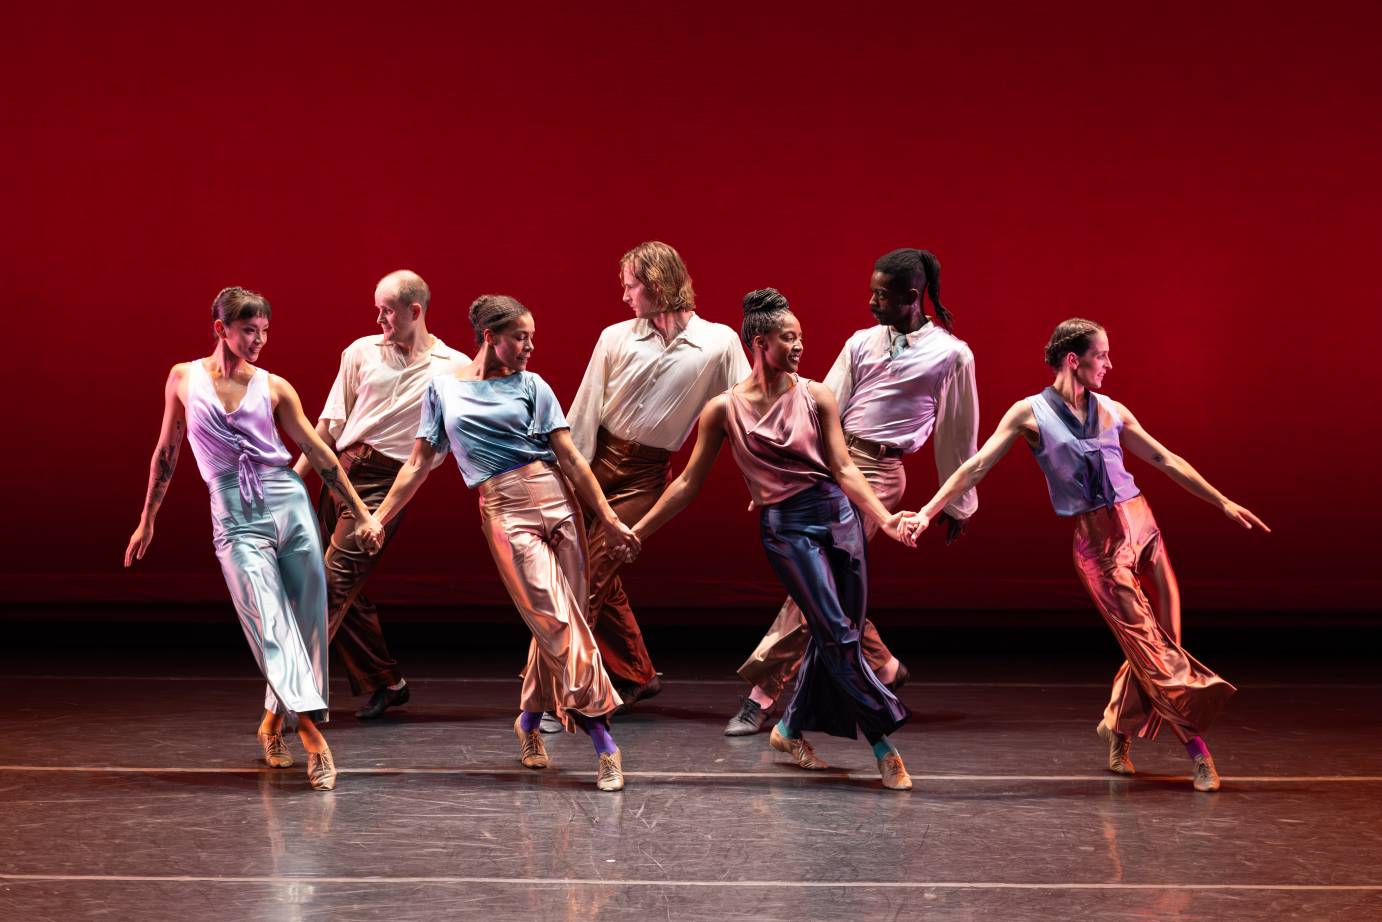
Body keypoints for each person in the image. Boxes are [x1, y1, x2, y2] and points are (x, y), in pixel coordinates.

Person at [911, 318, 1270, 792]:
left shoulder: (1113, 410)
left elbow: (1164, 459)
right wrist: (928, 510)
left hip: (1143, 527)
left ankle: (1117, 730)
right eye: (1102, 355)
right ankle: (1198, 753)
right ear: (1073, 361)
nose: (1110, 364)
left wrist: (1221, 501)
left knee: (1165, 642)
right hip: (1098, 547)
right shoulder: (1029, 414)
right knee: (1154, 653)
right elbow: (975, 466)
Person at [632, 288, 919, 792]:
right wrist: (638, 531)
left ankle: (788, 728)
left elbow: (845, 467)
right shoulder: (723, 410)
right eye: (789, 338)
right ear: (760, 342)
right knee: (837, 632)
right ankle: (883, 743)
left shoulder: (817, 396)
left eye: (801, 336)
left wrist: (885, 518)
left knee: (837, 633)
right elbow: (687, 484)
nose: (800, 346)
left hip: (839, 518)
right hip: (787, 530)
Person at [369, 294, 638, 792]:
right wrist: (379, 517)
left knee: (564, 622)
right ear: (490, 338)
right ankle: (604, 741)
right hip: (504, 510)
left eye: (532, 337)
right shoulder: (444, 390)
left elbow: (573, 459)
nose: (530, 347)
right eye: (521, 338)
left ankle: (530, 723)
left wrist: (608, 518)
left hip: (559, 503)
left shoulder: (533, 385)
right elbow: (417, 464)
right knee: (556, 619)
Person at [125, 286, 384, 791]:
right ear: (220, 328)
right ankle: (312, 734)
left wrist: (360, 512)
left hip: (288, 504)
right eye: (249, 331)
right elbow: (168, 451)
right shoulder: (183, 378)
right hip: (234, 512)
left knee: (307, 623)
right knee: (268, 622)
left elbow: (318, 451)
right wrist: (147, 517)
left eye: (265, 332)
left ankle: (270, 724)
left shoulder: (275, 387)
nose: (259, 341)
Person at [727, 248, 980, 735]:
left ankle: (762, 694)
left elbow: (958, 432)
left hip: (880, 474)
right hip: (831, 464)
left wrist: (958, 502)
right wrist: (779, 473)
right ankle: (882, 665)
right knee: (827, 585)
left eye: (881, 294)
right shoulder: (863, 341)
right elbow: (820, 403)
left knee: (811, 591)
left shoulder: (951, 354)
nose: (870, 302)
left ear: (911, 297)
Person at [566, 241, 751, 721]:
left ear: (655, 283)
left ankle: (555, 691)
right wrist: (569, 478)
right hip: (594, 464)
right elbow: (585, 410)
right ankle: (637, 673)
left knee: (589, 575)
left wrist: (764, 483)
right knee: (583, 567)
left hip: (644, 476)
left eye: (630, 285)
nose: (624, 295)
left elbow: (749, 412)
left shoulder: (718, 342)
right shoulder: (615, 337)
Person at [292, 270, 468, 719]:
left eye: (387, 310)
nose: (379, 318)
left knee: (329, 587)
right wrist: (291, 484)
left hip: (385, 485)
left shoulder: (454, 368)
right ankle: (386, 682)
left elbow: (444, 449)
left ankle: (294, 697)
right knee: (333, 583)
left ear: (415, 311)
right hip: (341, 472)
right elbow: (328, 428)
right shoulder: (360, 352)